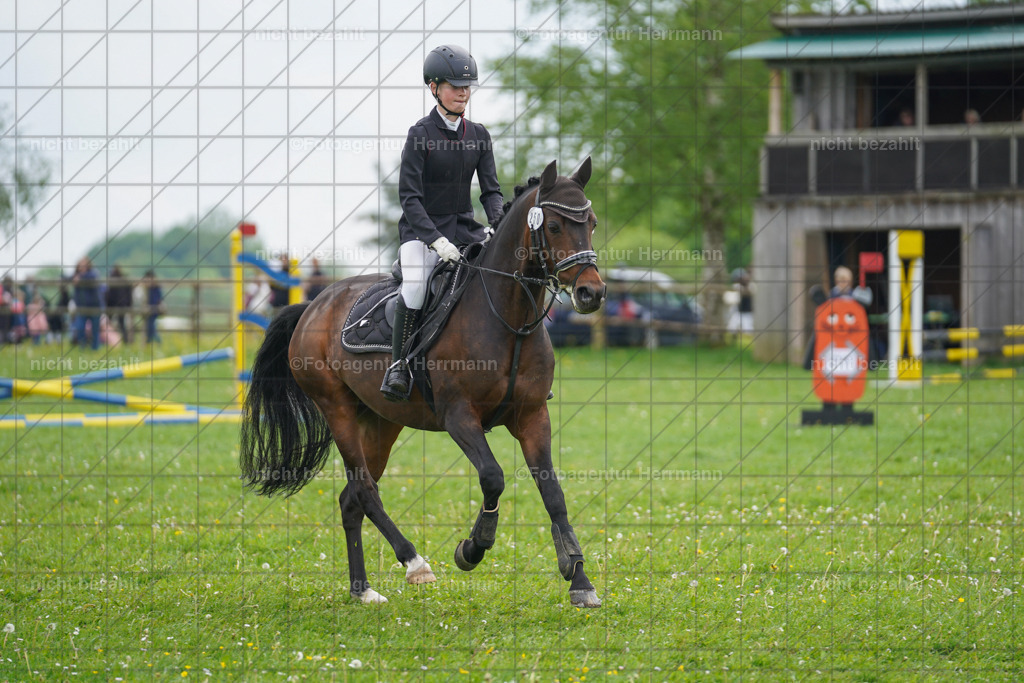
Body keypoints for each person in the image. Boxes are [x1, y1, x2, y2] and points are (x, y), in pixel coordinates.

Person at [379, 45, 504, 401]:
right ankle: (399, 365)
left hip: (466, 228)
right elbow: (410, 199)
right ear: (433, 87)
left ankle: (522, 363)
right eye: (455, 85)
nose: (463, 92)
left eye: (468, 86)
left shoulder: (479, 135)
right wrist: (435, 241)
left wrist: (496, 223)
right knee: (416, 285)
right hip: (421, 233)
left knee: (508, 274)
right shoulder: (420, 135)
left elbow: (491, 191)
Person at [72, 257, 101, 350]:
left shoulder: (93, 274)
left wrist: (79, 278)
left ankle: (95, 348)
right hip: (81, 307)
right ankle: (82, 347)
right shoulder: (75, 276)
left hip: (94, 306)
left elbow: (92, 277)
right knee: (80, 327)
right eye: (80, 264)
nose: (82, 266)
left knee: (95, 329)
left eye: (84, 264)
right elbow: (66, 278)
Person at [106, 264, 134, 344]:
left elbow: (110, 294)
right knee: (122, 324)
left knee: (109, 323)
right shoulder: (125, 280)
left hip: (114, 304)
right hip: (123, 305)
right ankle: (126, 341)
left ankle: (109, 341)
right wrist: (129, 304)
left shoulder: (112, 280)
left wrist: (108, 305)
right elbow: (129, 294)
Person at [142, 269, 163, 344]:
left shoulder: (155, 287)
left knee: (151, 327)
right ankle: (152, 342)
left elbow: (158, 298)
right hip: (150, 309)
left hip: (154, 309)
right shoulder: (149, 287)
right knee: (150, 327)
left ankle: (156, 342)